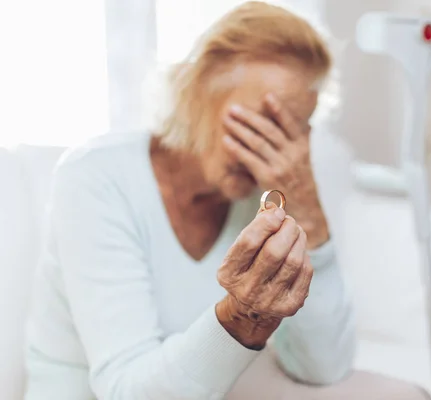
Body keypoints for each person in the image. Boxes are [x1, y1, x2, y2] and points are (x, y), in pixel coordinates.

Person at [23, 2, 357, 399]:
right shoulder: (95, 177)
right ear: (196, 90)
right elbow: (126, 391)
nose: (274, 154)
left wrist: (311, 216)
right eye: (257, 125)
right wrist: (241, 317)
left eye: (291, 132)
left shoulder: (269, 199)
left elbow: (323, 367)